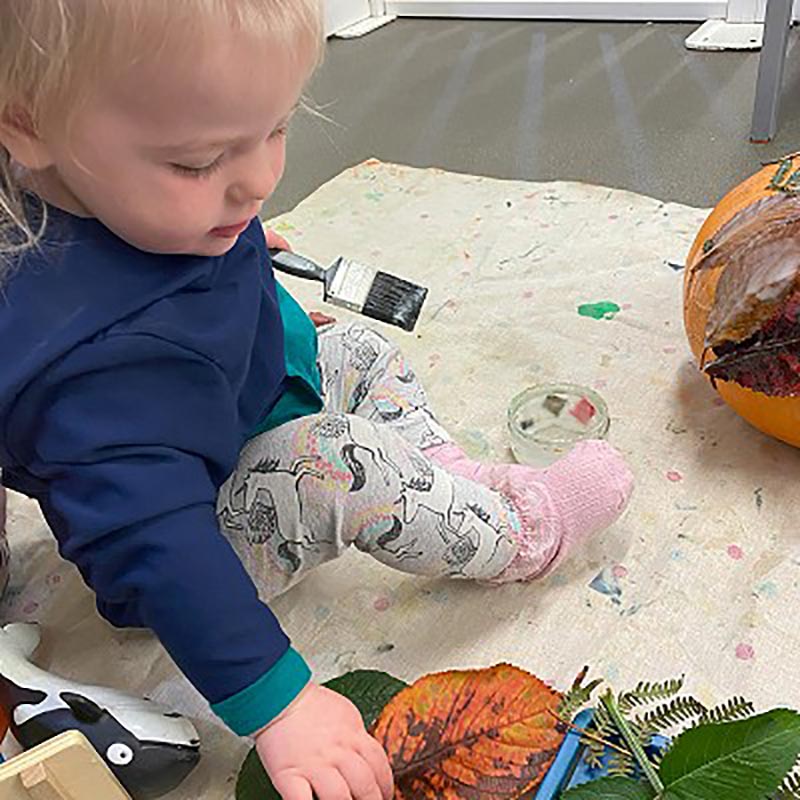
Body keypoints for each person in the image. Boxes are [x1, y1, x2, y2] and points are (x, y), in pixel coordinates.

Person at [0, 2, 633, 797]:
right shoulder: (97, 374)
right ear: (26, 125)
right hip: (196, 534)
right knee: (335, 464)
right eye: (198, 163)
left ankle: (447, 476)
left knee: (353, 348)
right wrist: (282, 704)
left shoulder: (112, 191)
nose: (262, 178)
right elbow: (157, 548)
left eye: (276, 128)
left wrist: (228, 239)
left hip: (232, 394)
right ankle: (517, 533)